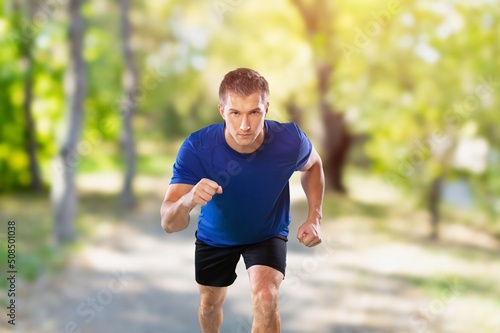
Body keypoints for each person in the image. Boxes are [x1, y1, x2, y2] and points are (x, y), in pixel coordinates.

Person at [160, 68, 325, 333]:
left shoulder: (289, 140)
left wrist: (314, 217)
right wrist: (189, 199)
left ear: (267, 109)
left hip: (267, 233)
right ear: (222, 110)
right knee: (209, 306)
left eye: (254, 112)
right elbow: (169, 223)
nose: (245, 125)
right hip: (216, 237)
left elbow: (314, 164)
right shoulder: (197, 148)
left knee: (266, 298)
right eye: (235, 113)